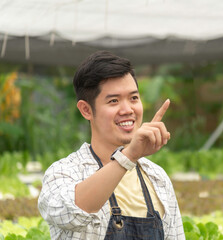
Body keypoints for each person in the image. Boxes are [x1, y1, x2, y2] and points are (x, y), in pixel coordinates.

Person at [38, 51, 185, 240]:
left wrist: (129, 156)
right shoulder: (64, 173)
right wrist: (127, 157)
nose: (127, 110)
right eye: (113, 101)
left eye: (133, 98)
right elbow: (71, 213)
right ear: (86, 110)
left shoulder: (157, 178)